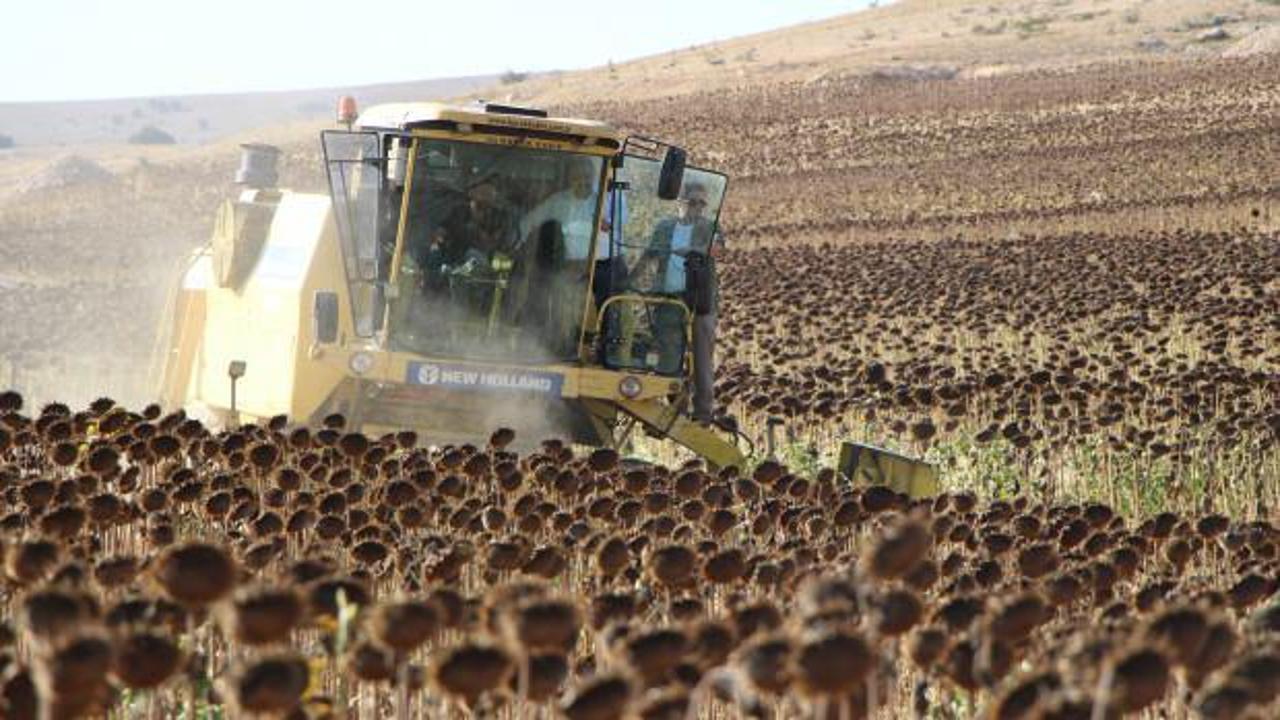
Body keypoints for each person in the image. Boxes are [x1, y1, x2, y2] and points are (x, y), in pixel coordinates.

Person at [632, 182, 723, 426]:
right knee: (669, 355)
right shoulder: (664, 228)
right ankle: (676, 411)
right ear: (680, 202)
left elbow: (716, 249)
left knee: (702, 357)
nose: (698, 208)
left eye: (702, 203)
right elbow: (649, 255)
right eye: (693, 202)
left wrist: (693, 250)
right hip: (668, 297)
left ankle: (703, 413)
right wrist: (630, 279)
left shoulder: (709, 227)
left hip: (699, 299)